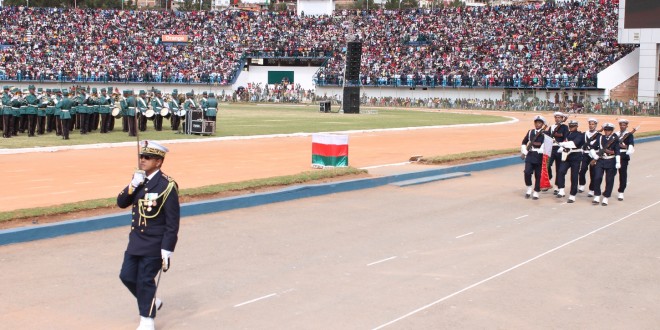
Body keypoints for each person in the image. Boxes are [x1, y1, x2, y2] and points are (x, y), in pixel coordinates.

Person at [117, 140, 180, 330]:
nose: (142, 160)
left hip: (155, 242)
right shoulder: (138, 180)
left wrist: (167, 249)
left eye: (148, 157)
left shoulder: (167, 186)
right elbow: (121, 202)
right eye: (141, 157)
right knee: (126, 276)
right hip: (136, 240)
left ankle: (147, 319)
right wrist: (132, 185)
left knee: (145, 279)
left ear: (159, 162)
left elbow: (172, 221)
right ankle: (152, 300)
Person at [590, 123, 620, 206]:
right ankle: (597, 195)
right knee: (597, 177)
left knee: (609, 180)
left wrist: (618, 161)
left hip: (611, 161)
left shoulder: (615, 139)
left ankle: (606, 197)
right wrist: (595, 156)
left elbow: (617, 150)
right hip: (600, 160)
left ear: (612, 131)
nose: (607, 131)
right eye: (605, 130)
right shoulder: (600, 138)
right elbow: (592, 147)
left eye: (609, 130)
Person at [520, 115, 548, 200]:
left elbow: (547, 145)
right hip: (530, 155)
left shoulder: (545, 134)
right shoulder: (530, 132)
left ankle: (536, 191)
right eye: (536, 122)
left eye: (539, 123)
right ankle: (529, 188)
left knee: (538, 175)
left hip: (539, 156)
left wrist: (542, 149)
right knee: (527, 172)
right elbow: (524, 142)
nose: (537, 124)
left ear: (542, 124)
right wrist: (524, 151)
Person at [556, 120, 584, 203]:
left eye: (573, 126)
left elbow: (574, 144)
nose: (571, 127)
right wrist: (561, 147)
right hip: (567, 156)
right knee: (561, 172)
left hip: (575, 157)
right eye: (570, 126)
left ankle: (572, 195)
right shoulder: (568, 134)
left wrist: (561, 144)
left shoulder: (580, 135)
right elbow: (565, 141)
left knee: (574, 176)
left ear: (576, 126)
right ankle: (561, 189)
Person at [547, 112, 569, 193]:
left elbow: (566, 137)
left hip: (560, 149)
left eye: (559, 117)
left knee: (559, 169)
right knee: (547, 165)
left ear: (562, 118)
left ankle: (557, 186)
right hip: (552, 149)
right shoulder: (552, 127)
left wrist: (562, 146)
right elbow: (548, 136)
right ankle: (549, 176)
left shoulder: (565, 127)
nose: (557, 119)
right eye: (556, 117)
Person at [579, 118, 600, 196]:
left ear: (595, 125)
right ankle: (582, 184)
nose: (591, 126)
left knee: (593, 172)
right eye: (590, 124)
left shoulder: (599, 135)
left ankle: (592, 189)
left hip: (593, 155)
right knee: (582, 170)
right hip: (585, 154)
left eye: (593, 124)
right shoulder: (585, 134)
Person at [615, 119, 635, 201]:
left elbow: (630, 145)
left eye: (624, 125)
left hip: (623, 156)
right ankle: (607, 190)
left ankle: (621, 192)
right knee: (610, 174)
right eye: (621, 125)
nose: (622, 126)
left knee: (622, 174)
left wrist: (621, 145)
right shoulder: (616, 134)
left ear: (627, 126)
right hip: (614, 155)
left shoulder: (629, 135)